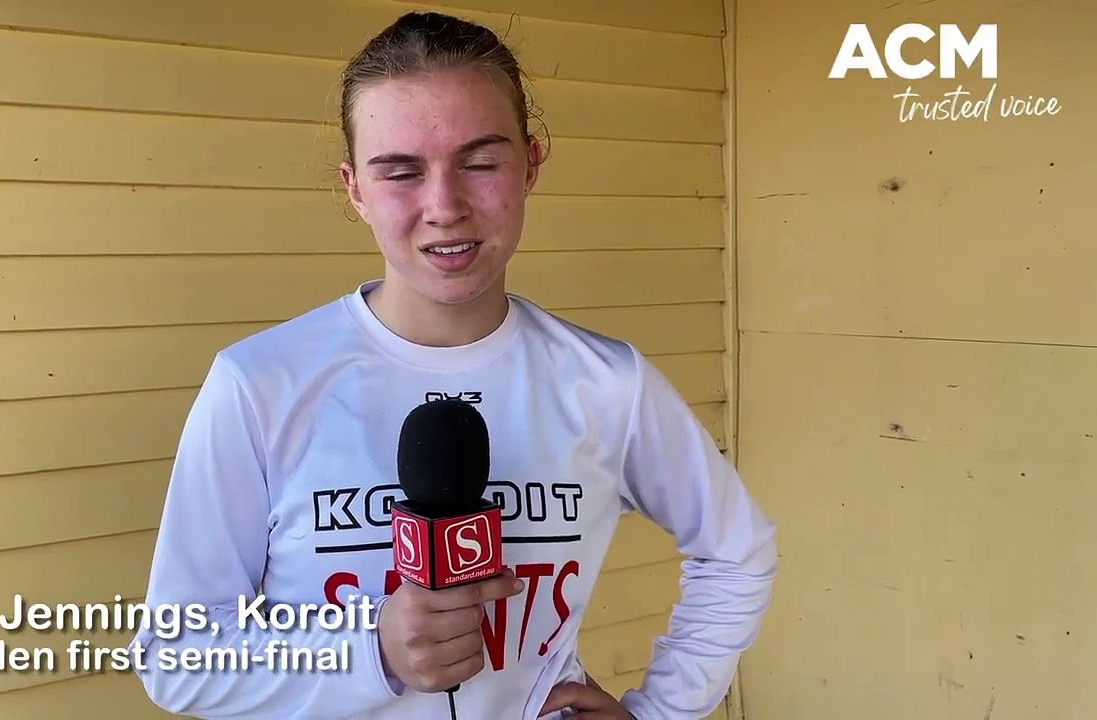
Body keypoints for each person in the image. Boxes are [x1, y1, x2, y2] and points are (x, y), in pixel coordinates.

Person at [129, 10, 777, 720]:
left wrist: (660, 711)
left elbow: (736, 552)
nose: (445, 207)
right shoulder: (260, 386)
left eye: (479, 161)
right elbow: (179, 657)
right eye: (401, 171)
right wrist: (371, 650)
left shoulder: (605, 383)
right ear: (354, 188)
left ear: (530, 163)